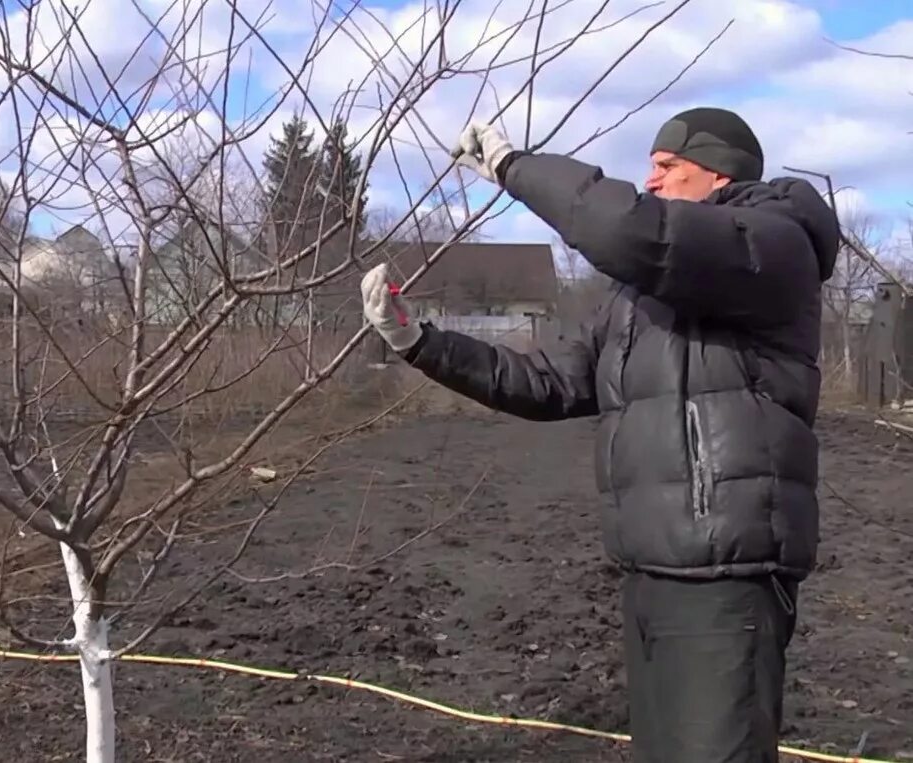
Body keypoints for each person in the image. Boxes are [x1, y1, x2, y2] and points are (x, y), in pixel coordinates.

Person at [359, 107, 839, 763]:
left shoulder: (770, 243)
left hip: (726, 573)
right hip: (649, 568)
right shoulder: (633, 298)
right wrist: (419, 342)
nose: (651, 178)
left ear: (719, 172)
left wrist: (512, 166)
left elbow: (628, 230)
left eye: (667, 165)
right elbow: (546, 381)